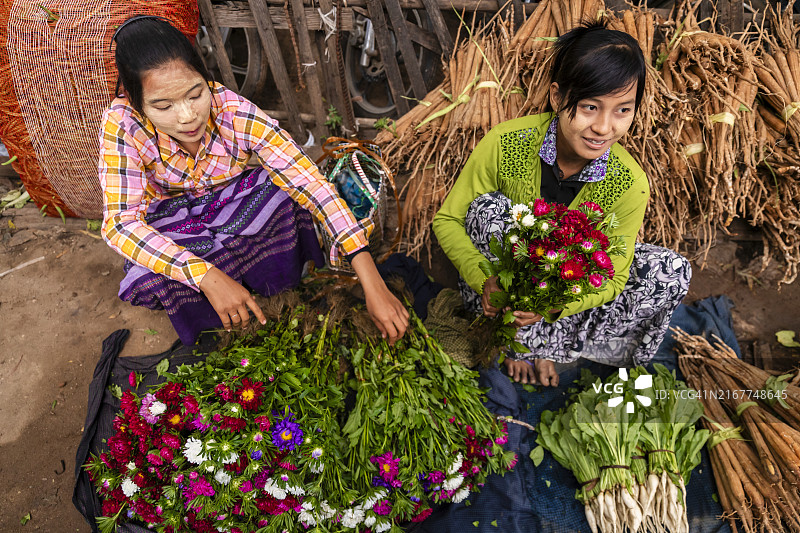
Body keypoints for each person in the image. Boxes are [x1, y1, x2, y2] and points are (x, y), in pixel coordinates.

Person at [99, 16, 409, 345]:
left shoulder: (230, 109)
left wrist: (372, 280)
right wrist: (205, 276)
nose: (187, 116)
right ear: (136, 102)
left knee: (284, 194)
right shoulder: (122, 124)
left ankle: (275, 289)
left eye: (195, 94)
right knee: (152, 272)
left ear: (206, 79)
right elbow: (120, 224)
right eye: (164, 106)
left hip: (233, 203)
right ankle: (217, 319)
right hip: (175, 220)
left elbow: (306, 178)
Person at [432, 21, 691, 386]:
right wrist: (483, 279)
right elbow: (447, 220)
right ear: (557, 97)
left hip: (560, 308)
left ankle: (549, 350)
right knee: (488, 210)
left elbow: (614, 275)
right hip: (501, 297)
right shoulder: (506, 143)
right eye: (589, 106)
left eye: (622, 110)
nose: (604, 127)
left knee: (671, 269)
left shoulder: (630, 183)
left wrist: (555, 306)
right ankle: (513, 345)